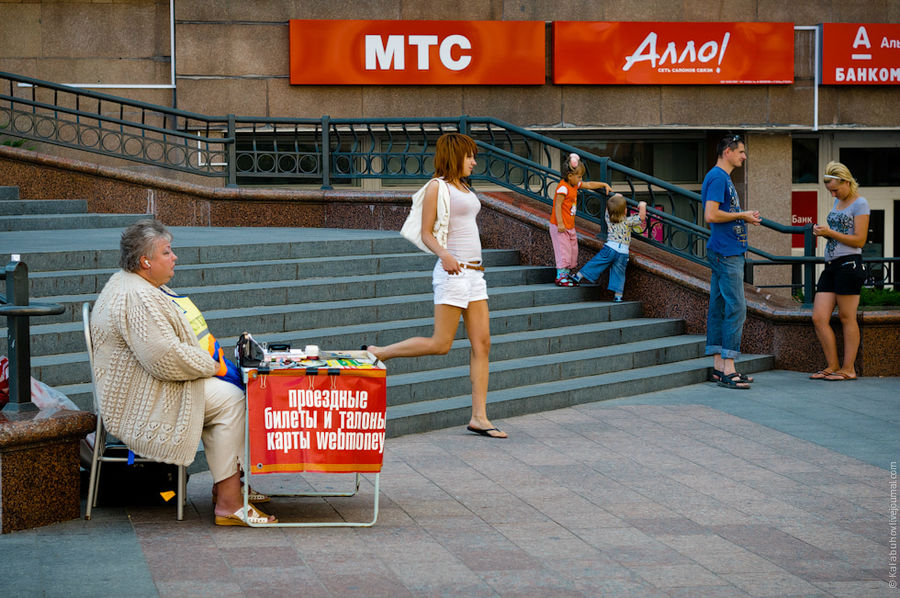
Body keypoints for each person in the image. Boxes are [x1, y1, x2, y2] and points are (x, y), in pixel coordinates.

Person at [90, 219, 276, 525]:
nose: (174, 256)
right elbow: (164, 358)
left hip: (149, 387)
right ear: (145, 261)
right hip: (142, 401)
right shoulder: (138, 297)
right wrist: (212, 365)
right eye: (167, 251)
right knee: (233, 398)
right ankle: (229, 503)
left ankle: (229, 487)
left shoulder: (134, 284)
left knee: (235, 390)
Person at [366, 133, 507, 438]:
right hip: (452, 274)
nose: (474, 161)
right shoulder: (437, 187)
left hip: (475, 275)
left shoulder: (464, 188)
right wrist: (444, 255)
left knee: (482, 344)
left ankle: (479, 417)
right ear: (455, 155)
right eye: (469, 156)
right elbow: (426, 232)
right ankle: (381, 352)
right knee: (441, 344)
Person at [703, 135, 762, 390]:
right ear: (727, 151)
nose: (744, 156)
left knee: (718, 307)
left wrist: (743, 216)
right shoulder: (718, 177)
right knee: (737, 308)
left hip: (724, 251)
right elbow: (711, 214)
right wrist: (743, 215)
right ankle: (729, 368)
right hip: (726, 253)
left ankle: (718, 367)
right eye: (741, 152)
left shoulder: (720, 177)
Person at [809, 161, 870, 381]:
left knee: (846, 317)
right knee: (818, 317)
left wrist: (831, 233)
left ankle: (848, 369)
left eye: (835, 189)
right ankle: (832, 365)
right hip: (832, 265)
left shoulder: (860, 203)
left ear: (846, 181)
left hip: (850, 264)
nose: (833, 194)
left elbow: (859, 240)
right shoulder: (838, 203)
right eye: (830, 191)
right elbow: (839, 234)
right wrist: (823, 233)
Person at [550, 153, 614, 286]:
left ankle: (566, 275)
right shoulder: (563, 188)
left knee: (572, 250)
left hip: (569, 225)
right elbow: (557, 205)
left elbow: (588, 184)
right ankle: (560, 277)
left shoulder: (574, 185)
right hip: (560, 226)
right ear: (569, 176)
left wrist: (603, 184)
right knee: (563, 251)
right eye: (579, 176)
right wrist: (560, 223)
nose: (581, 179)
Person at [572, 195, 647, 302]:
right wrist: (642, 205)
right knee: (619, 273)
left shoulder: (608, 218)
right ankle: (618, 296)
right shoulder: (628, 221)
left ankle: (578, 276)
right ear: (625, 211)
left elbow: (607, 208)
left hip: (610, 248)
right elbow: (641, 217)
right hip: (623, 252)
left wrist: (616, 196)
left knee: (596, 263)